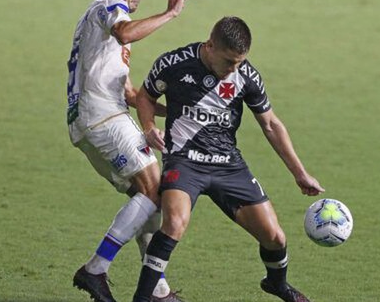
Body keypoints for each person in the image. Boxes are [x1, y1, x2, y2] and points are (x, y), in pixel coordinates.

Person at [132, 16, 325, 302]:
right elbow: (145, 97)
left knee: (275, 238)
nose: (233, 69)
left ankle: (276, 284)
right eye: (229, 62)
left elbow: (270, 124)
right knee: (174, 224)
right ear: (210, 46)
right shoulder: (174, 63)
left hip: (228, 164)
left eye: (239, 62)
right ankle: (142, 298)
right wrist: (149, 129)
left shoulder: (246, 75)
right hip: (185, 161)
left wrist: (300, 173)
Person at [66, 0, 191, 302]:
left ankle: (158, 290)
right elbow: (124, 32)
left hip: (93, 119)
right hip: (103, 116)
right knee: (155, 191)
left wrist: (175, 111)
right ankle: (95, 269)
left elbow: (130, 93)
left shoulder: (97, 25)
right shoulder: (108, 7)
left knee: (148, 196)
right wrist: (169, 15)